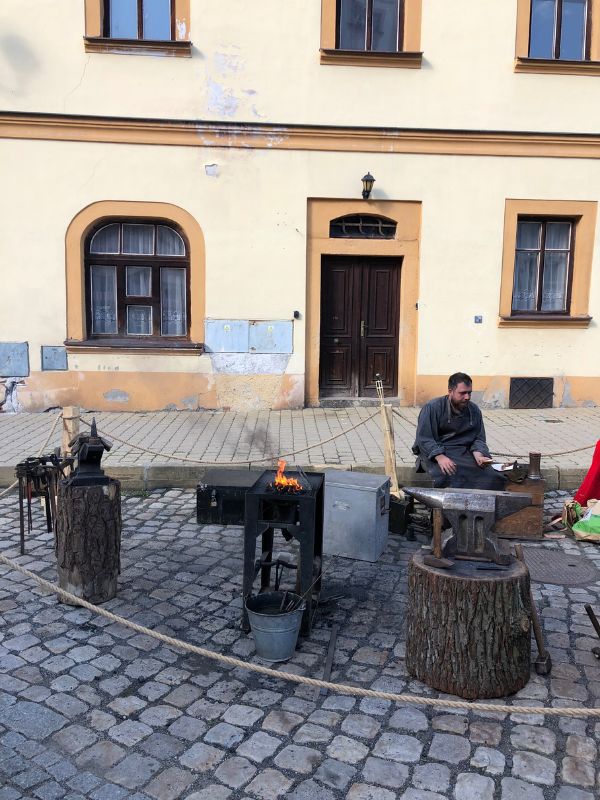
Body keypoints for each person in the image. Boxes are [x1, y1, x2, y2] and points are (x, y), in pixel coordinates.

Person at [412, 372, 505, 490]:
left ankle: (478, 505)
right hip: (436, 454)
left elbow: (478, 438)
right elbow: (425, 438)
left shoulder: (474, 410)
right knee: (447, 475)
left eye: (469, 393)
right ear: (450, 391)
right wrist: (440, 457)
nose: (467, 397)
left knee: (490, 475)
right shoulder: (432, 408)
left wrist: (479, 455)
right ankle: (444, 507)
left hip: (463, 453)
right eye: (462, 393)